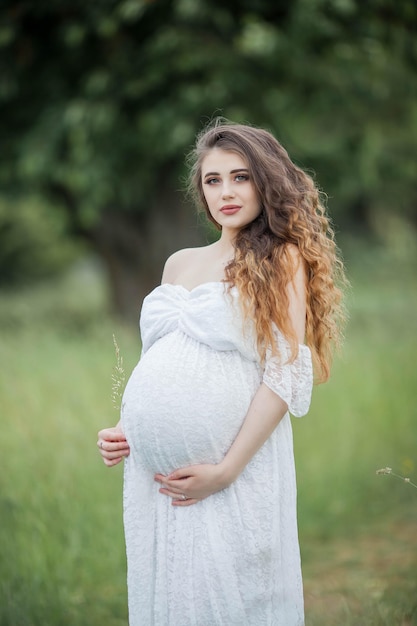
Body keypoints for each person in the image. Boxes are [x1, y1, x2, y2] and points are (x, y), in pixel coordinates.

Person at [97, 119, 346, 626]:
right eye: (213, 180)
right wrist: (127, 430)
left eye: (241, 177)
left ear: (266, 182)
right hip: (158, 480)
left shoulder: (282, 259)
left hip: (232, 472)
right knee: (173, 599)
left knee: (232, 600)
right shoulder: (179, 263)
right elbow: (159, 362)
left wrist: (226, 471)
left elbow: (283, 374)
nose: (226, 192)